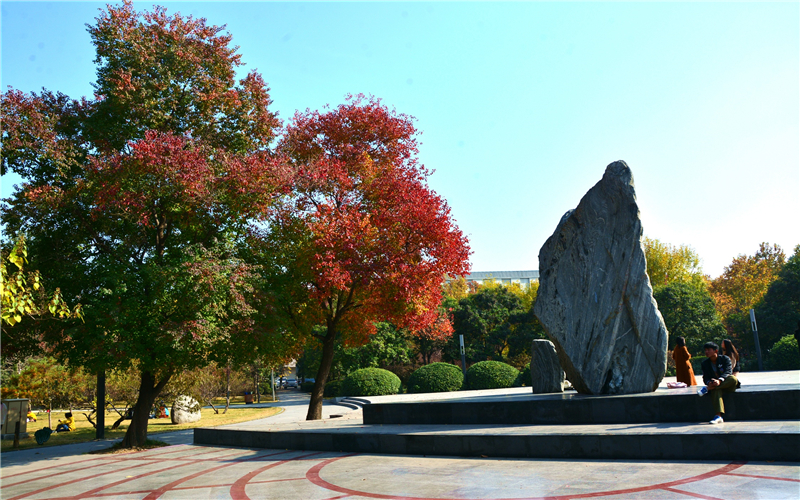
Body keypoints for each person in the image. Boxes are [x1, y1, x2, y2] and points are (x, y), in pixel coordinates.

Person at [698, 342, 740, 424]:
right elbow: (705, 377)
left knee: (733, 379)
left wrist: (719, 380)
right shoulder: (705, 363)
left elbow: (728, 371)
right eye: (705, 350)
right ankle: (718, 416)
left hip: (727, 384)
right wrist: (709, 382)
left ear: (715, 351)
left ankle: (708, 389)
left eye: (708, 350)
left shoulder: (725, 359)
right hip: (715, 386)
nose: (706, 352)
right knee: (716, 390)